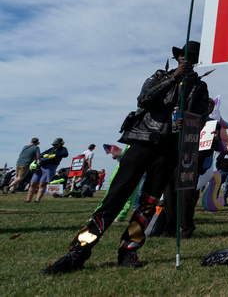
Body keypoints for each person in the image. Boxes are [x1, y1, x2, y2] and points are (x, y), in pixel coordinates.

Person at [41, 40, 210, 273]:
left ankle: (129, 250)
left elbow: (201, 118)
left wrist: (189, 123)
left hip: (169, 150)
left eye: (191, 58)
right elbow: (144, 99)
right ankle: (79, 251)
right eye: (183, 57)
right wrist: (173, 78)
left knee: (148, 203)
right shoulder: (160, 76)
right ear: (177, 58)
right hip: (142, 142)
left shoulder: (199, 87)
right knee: (115, 198)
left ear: (196, 61)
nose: (186, 60)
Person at [28, 138, 69, 202]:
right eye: (54, 145)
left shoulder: (63, 149)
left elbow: (65, 154)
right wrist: (44, 155)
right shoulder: (51, 149)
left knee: (42, 183)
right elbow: (41, 154)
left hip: (51, 166)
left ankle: (37, 200)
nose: (54, 146)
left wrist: (55, 155)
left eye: (56, 144)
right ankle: (28, 200)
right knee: (33, 183)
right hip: (41, 166)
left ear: (61, 143)